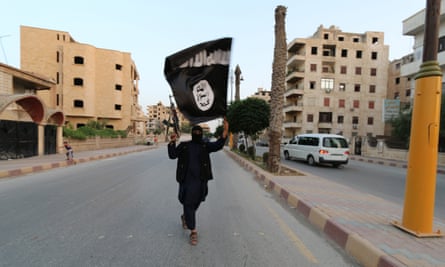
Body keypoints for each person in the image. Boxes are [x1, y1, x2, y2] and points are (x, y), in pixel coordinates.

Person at [167, 117, 229, 246]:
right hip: (187, 181)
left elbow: (218, 144)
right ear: (192, 134)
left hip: (201, 180)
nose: (197, 134)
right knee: (188, 203)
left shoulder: (205, 146)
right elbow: (172, 155)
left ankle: (186, 216)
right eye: (195, 132)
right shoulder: (184, 146)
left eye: (198, 132)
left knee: (198, 200)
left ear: (201, 134)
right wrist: (172, 142)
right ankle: (193, 231)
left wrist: (226, 129)